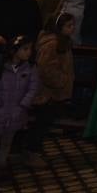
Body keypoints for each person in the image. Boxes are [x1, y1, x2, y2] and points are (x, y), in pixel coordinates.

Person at [0, 34, 38, 174]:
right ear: (14, 51)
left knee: (7, 142)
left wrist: (22, 106)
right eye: (25, 49)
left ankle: (0, 166)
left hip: (16, 113)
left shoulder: (30, 69)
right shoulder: (1, 68)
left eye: (30, 49)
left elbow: (32, 89)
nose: (29, 52)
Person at [26, 13, 75, 164]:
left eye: (73, 25)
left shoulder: (63, 42)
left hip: (53, 92)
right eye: (69, 26)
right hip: (47, 92)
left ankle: (35, 150)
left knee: (45, 122)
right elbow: (45, 68)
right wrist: (62, 80)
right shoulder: (52, 44)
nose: (72, 29)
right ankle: (32, 153)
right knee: (41, 123)